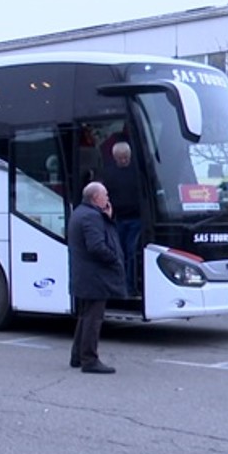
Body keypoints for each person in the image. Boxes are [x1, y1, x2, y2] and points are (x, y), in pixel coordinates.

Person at [68, 181, 126, 374]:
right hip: (94, 276)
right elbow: (96, 246)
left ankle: (78, 356)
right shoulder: (92, 217)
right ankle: (89, 359)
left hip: (85, 275)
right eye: (105, 195)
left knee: (85, 316)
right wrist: (114, 258)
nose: (108, 198)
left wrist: (107, 217)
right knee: (93, 319)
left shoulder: (80, 212)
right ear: (96, 198)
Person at [102, 141, 140, 296]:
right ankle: (119, 284)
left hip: (136, 218)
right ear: (114, 157)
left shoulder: (137, 171)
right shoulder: (109, 173)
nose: (123, 161)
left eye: (126, 158)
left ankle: (130, 286)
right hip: (118, 218)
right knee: (119, 253)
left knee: (131, 252)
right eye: (120, 158)